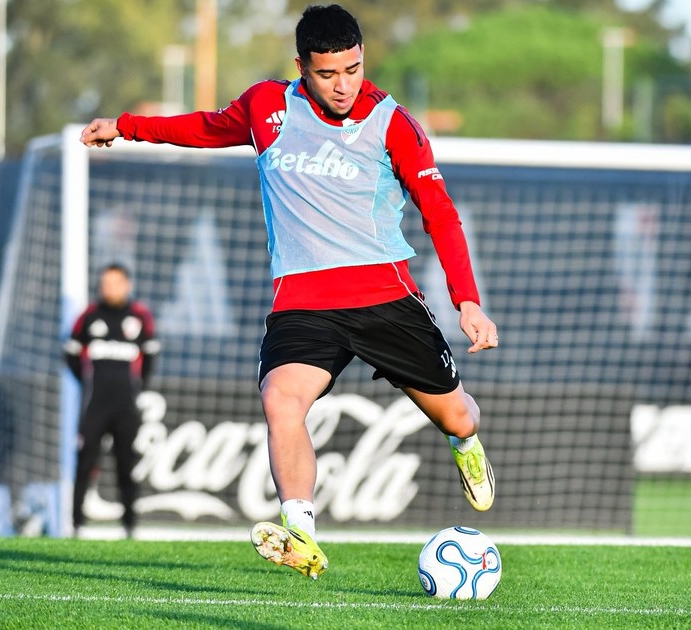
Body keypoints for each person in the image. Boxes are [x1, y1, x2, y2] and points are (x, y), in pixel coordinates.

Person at [79, 3, 497, 578]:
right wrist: (126, 126)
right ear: (301, 66)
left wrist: (467, 300)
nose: (344, 85)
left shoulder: (392, 124)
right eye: (328, 74)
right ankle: (301, 533)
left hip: (384, 298)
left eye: (353, 69)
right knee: (280, 398)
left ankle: (466, 445)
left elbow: (440, 213)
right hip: (303, 302)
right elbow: (203, 128)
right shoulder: (266, 106)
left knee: (458, 417)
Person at [63, 263, 159, 539]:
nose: (110, 289)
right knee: (85, 462)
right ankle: (76, 525)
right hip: (95, 405)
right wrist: (87, 383)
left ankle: (130, 527)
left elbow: (150, 358)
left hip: (126, 406)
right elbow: (70, 354)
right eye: (105, 283)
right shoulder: (89, 317)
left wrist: (137, 388)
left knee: (126, 465)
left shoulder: (140, 317)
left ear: (127, 285)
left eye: (116, 283)